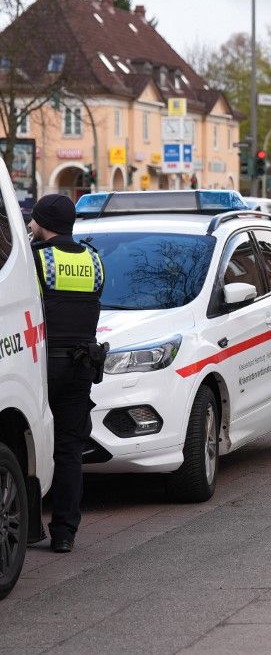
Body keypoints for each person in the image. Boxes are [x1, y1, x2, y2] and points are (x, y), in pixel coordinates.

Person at [28, 194, 105, 553]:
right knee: (69, 450)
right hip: (82, 365)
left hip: (43, 366)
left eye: (33, 220)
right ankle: (64, 533)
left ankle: (28, 527)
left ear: (44, 223)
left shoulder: (38, 259)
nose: (30, 225)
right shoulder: (94, 260)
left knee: (28, 443)